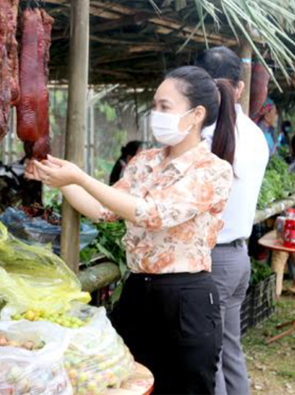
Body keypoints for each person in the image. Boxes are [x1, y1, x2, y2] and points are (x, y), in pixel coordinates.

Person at [27, 66, 235, 394]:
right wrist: (56, 178)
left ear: (196, 115)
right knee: (126, 384)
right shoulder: (144, 162)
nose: (156, 114)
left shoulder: (213, 171)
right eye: (155, 106)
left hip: (186, 299)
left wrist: (81, 177)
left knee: (184, 388)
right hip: (138, 291)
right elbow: (103, 209)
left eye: (165, 107)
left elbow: (152, 214)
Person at [196, 47, 269, 395]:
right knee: (230, 351)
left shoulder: (206, 135)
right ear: (239, 88)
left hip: (213, 259)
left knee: (211, 358)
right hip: (238, 258)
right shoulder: (255, 134)